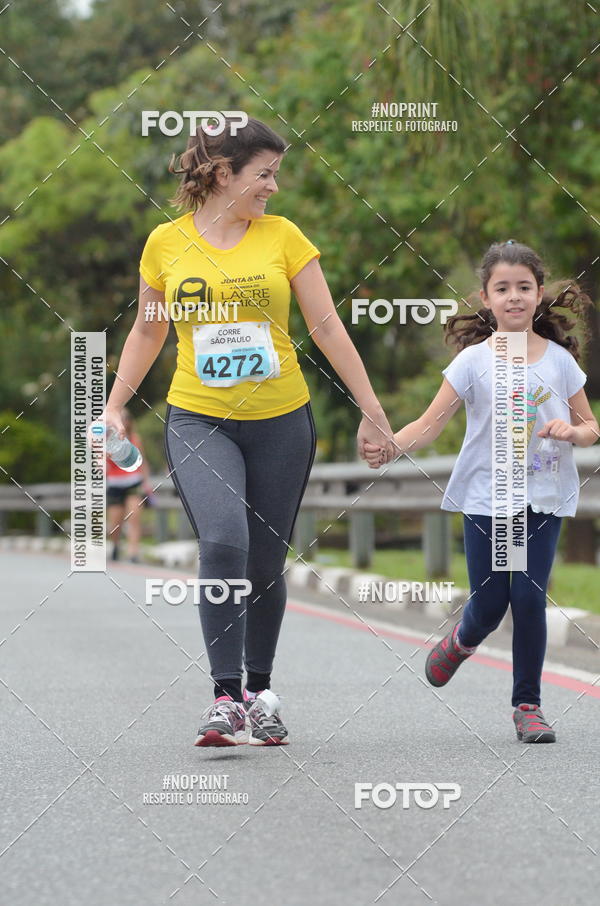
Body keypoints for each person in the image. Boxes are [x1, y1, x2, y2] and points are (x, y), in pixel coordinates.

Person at [99, 116, 394, 748]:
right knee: (225, 542)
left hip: (283, 422)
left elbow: (328, 328)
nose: (274, 188)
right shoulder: (166, 243)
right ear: (223, 173)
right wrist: (115, 404)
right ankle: (225, 696)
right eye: (264, 174)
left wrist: (372, 409)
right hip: (199, 418)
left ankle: (261, 692)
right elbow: (150, 329)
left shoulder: (284, 237)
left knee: (265, 559)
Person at [365, 240, 598, 743]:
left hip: (539, 497)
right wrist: (390, 446)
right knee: (491, 603)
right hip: (487, 498)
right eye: (502, 288)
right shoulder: (473, 362)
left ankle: (528, 705)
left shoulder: (559, 362)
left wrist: (570, 433)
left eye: (524, 287)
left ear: (538, 295)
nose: (514, 297)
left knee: (529, 595)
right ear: (486, 299)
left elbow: (590, 427)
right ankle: (464, 638)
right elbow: (429, 425)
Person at [106, 408, 153, 563]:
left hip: (133, 481)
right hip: (115, 484)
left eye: (126, 418)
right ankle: (116, 545)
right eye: (121, 418)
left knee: (134, 517)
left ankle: (133, 551)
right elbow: (102, 466)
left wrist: (147, 483)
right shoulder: (106, 440)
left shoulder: (134, 438)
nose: (124, 421)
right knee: (115, 521)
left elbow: (143, 461)